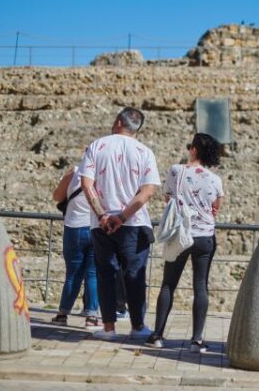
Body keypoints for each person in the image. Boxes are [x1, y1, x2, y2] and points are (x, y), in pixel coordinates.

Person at [79, 107, 160, 341]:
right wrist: (123, 217)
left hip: (101, 224)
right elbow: (148, 190)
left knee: (105, 274)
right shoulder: (144, 152)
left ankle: (108, 328)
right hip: (133, 223)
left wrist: (103, 215)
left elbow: (86, 184)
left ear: (117, 122)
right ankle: (137, 326)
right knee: (134, 274)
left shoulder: (96, 146)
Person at [146, 133, 224, 352]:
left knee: (168, 284)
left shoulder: (176, 170)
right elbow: (215, 208)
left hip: (181, 234)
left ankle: (157, 335)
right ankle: (196, 340)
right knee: (200, 286)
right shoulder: (215, 180)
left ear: (194, 150)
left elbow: (167, 197)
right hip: (205, 236)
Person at [51, 165, 100, 328]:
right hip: (96, 227)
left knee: (72, 274)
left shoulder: (75, 172)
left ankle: (62, 314)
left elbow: (57, 196)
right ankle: (91, 317)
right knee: (93, 274)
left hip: (74, 227)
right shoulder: (105, 173)